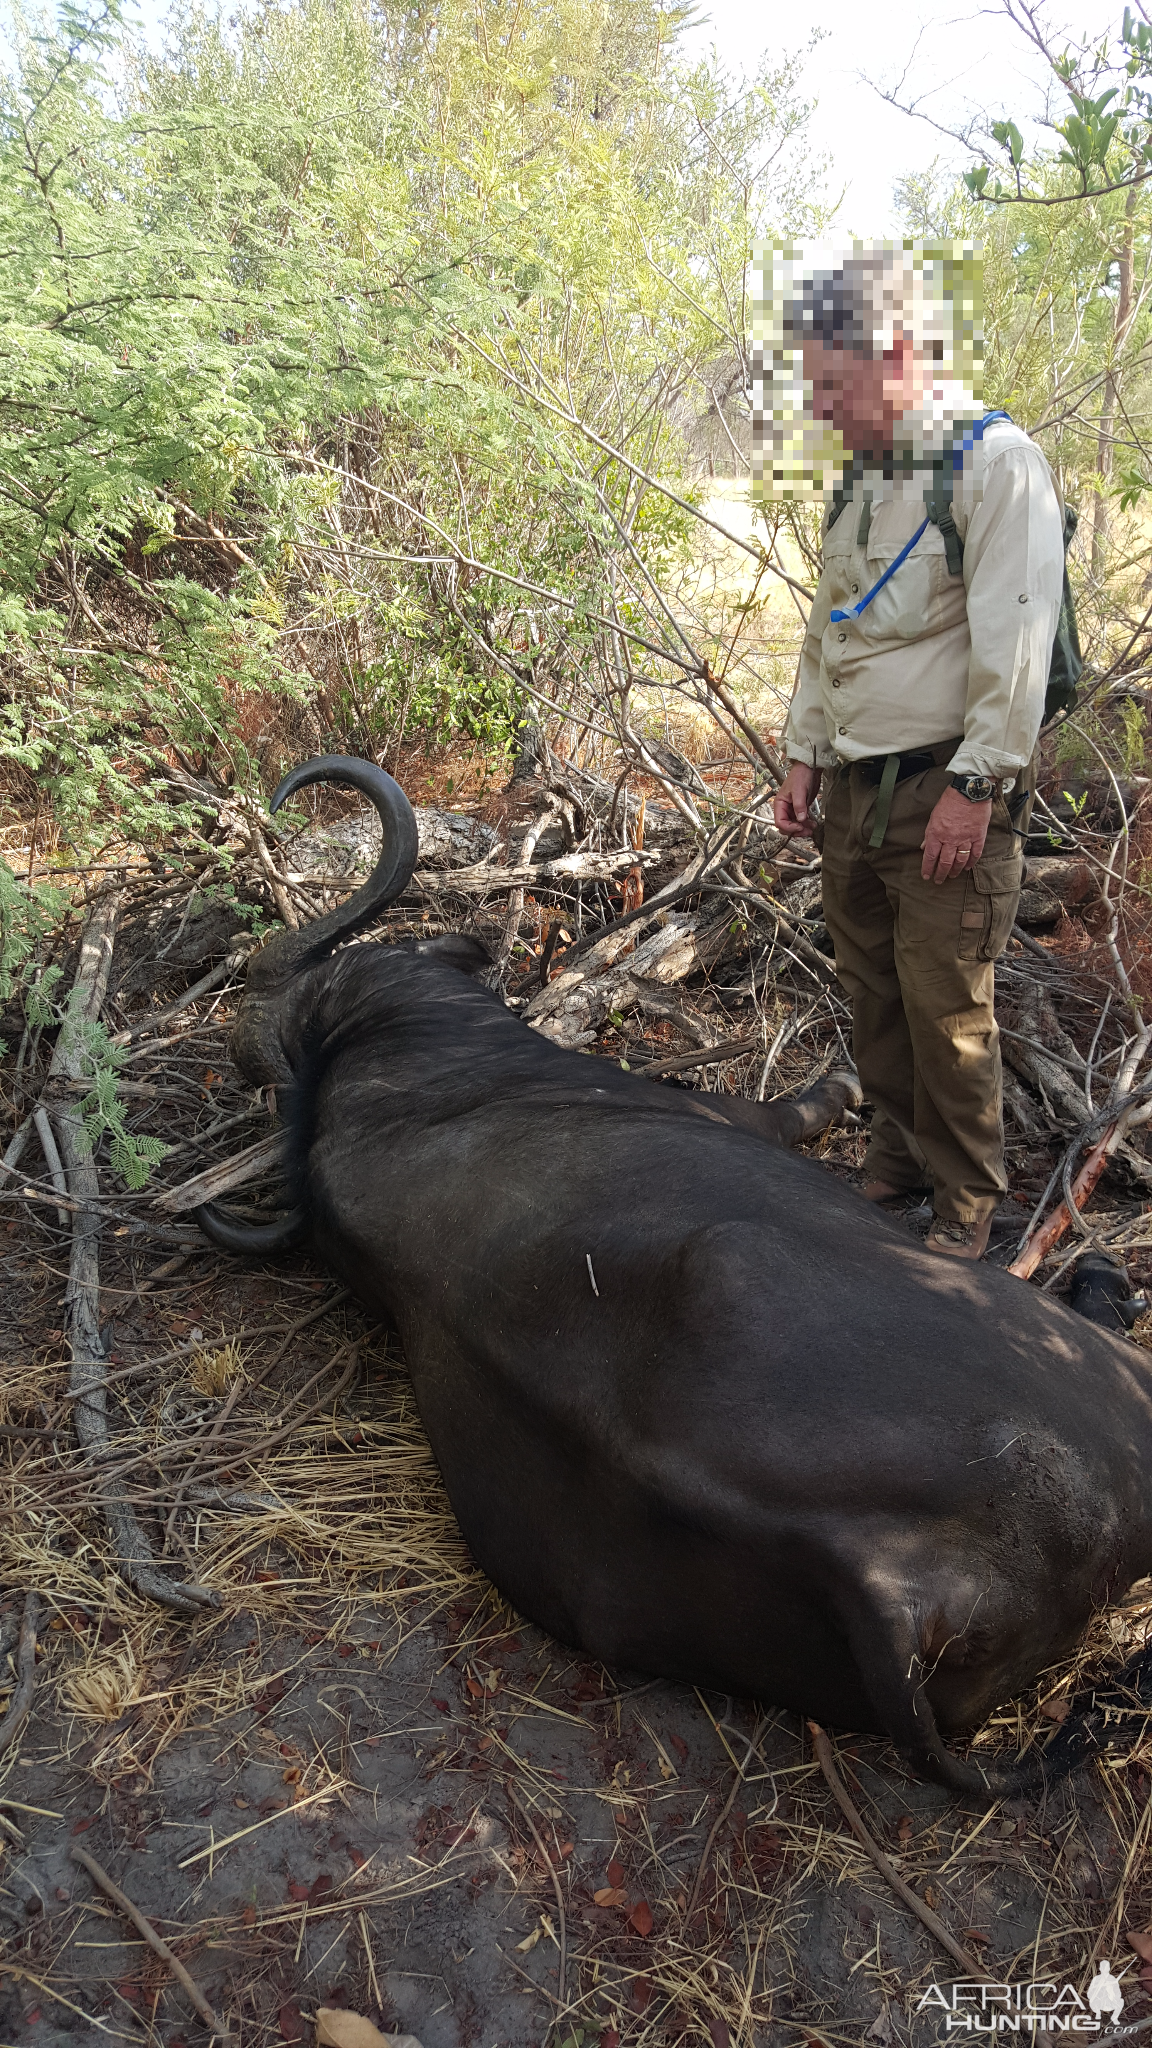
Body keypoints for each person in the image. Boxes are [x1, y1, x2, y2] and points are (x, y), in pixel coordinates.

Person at [772, 252, 1065, 1261]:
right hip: (856, 788)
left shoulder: (994, 464)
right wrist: (804, 754)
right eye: (812, 384)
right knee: (874, 992)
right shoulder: (862, 478)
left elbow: (1016, 647)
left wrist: (975, 788)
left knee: (948, 1009)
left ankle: (966, 1206)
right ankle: (895, 1159)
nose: (820, 404)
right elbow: (828, 629)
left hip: (945, 787)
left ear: (897, 353)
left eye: (832, 383)